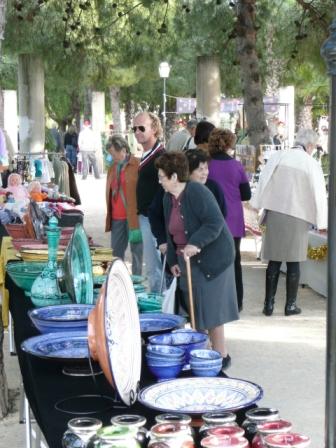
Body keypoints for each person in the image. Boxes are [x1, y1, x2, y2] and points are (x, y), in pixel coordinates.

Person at [155, 151, 238, 369]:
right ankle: (202, 353)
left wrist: (196, 243)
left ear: (174, 177)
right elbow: (170, 232)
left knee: (211, 310)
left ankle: (221, 356)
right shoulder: (167, 197)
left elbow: (214, 222)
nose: (160, 180)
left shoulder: (197, 192)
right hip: (186, 258)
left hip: (213, 258)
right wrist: (173, 260)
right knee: (194, 309)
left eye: (162, 176)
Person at [251, 128, 327, 316]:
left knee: (274, 260)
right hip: (298, 216)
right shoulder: (311, 163)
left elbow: (264, 180)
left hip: (276, 212)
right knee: (294, 262)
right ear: (309, 145)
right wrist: (322, 221)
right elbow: (319, 194)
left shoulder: (279, 155)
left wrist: (256, 203)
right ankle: (290, 306)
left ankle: (268, 305)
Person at [208, 128, 251, 312]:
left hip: (212, 218)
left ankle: (216, 299)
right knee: (235, 260)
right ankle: (237, 301)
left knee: (213, 259)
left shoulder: (207, 165)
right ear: (229, 144)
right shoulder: (236, 166)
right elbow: (246, 194)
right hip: (233, 218)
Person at [133, 111, 165, 292]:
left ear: (154, 128)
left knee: (156, 265)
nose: (137, 132)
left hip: (155, 218)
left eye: (141, 128)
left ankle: (160, 305)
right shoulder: (146, 154)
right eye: (134, 128)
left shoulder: (160, 156)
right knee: (153, 265)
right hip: (146, 216)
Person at [105, 135, 143, 275]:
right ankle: (117, 281)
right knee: (115, 254)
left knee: (137, 254)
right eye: (110, 154)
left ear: (123, 150)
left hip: (134, 218)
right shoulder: (112, 168)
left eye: (114, 154)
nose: (112, 157)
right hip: (117, 218)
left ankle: (137, 283)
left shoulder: (137, 164)